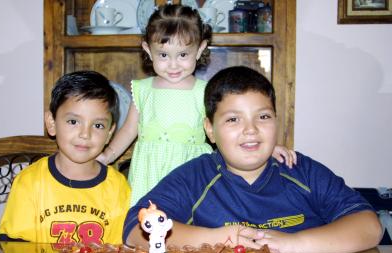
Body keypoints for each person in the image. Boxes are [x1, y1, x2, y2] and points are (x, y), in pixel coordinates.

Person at [123, 66, 382, 253]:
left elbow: (369, 225)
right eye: (233, 119)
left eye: (263, 117)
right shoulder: (195, 177)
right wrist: (217, 238)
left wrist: (296, 243)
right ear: (210, 129)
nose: (250, 130)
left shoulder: (300, 170)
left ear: (277, 121)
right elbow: (135, 228)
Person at [97, 4, 295, 207]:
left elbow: (227, 130)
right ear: (148, 50)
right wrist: (107, 155)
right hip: (149, 173)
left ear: (200, 49)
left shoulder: (205, 91)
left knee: (191, 223)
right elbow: (129, 130)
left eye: (183, 55)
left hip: (193, 172)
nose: (173, 64)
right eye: (164, 55)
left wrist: (264, 148)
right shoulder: (142, 90)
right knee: (149, 224)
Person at [0, 71, 131, 244]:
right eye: (73, 122)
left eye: (98, 125)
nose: (85, 134)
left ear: (109, 133)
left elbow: (117, 252)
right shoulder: (29, 182)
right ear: (52, 123)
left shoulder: (117, 187)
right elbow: (17, 250)